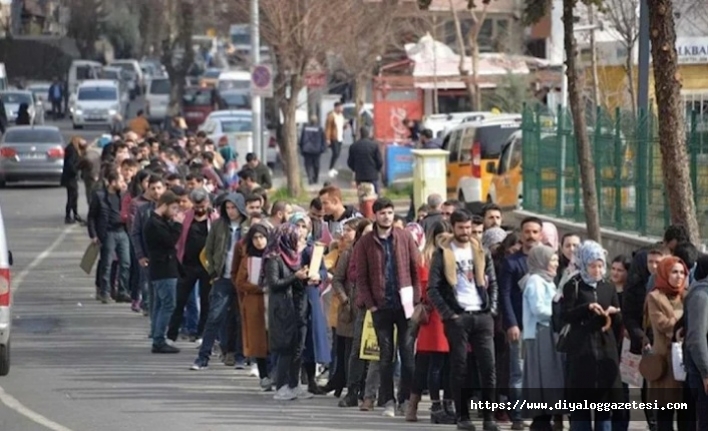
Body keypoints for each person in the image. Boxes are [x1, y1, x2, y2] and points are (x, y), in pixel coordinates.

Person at [427, 209, 499, 431]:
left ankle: (489, 418)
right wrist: (450, 314)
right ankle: (462, 416)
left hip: (482, 314)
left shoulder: (481, 251)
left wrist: (492, 309)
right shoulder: (443, 253)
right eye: (461, 228)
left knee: (488, 367)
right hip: (458, 317)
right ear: (453, 227)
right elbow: (433, 289)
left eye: (469, 227)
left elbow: (493, 283)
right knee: (459, 367)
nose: (466, 232)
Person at [356, 197, 420, 418]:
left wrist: (417, 299)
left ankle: (405, 399)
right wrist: (371, 304)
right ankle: (388, 401)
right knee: (385, 356)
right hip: (381, 306)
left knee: (408, 355)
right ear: (375, 215)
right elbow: (360, 276)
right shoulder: (365, 242)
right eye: (382, 213)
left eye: (390, 213)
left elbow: (415, 268)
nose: (387, 216)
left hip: (405, 305)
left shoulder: (404, 237)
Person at [560, 240, 622, 430]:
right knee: (581, 410)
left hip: (605, 350)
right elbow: (566, 315)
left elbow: (619, 319)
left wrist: (614, 312)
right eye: (592, 266)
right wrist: (586, 308)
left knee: (604, 409)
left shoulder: (608, 286)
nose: (596, 270)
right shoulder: (574, 284)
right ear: (583, 264)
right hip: (581, 351)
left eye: (600, 265)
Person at [263, 223, 313, 401]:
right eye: (295, 237)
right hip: (282, 309)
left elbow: (297, 283)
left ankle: (294, 383)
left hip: (298, 307)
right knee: (286, 348)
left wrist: (306, 277)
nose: (298, 241)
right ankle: (281, 385)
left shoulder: (294, 257)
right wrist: (295, 276)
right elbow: (275, 283)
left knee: (298, 347)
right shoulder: (273, 258)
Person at [520, 245, 566, 431]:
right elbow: (539, 310)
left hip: (548, 333)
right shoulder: (535, 281)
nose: (555, 264)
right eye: (552, 260)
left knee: (549, 376)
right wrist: (558, 312)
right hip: (540, 333)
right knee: (542, 375)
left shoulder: (547, 280)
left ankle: (547, 414)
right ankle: (540, 419)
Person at [646, 256, 690, 431]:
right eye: (674, 272)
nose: (679, 276)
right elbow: (661, 323)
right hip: (664, 362)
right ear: (665, 273)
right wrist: (683, 322)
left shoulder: (688, 295)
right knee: (665, 412)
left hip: (684, 360)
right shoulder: (655, 297)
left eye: (682, 272)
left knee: (685, 413)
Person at [143, 190, 184, 354]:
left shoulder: (160, 221)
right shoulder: (154, 223)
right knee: (168, 304)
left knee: (161, 304)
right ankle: (159, 340)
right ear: (164, 205)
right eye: (173, 208)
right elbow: (169, 241)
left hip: (164, 267)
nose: (175, 213)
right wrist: (178, 224)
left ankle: (157, 336)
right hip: (163, 269)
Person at [232, 223, 272, 391]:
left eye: (262, 237)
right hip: (255, 303)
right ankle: (264, 375)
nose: (259, 241)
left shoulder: (273, 257)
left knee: (273, 339)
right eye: (255, 238)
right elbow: (240, 282)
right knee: (258, 341)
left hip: (272, 302)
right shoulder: (247, 260)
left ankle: (274, 373)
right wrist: (258, 288)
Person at [347, 126, 383, 194]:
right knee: (375, 195)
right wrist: (376, 170)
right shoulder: (374, 145)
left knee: (362, 195)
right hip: (372, 175)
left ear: (360, 134)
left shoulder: (354, 146)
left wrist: (356, 169)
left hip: (360, 175)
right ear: (368, 134)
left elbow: (350, 162)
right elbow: (380, 161)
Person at [61, 136, 83, 224]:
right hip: (70, 178)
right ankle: (69, 215)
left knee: (73, 196)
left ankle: (74, 214)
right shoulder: (72, 150)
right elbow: (70, 163)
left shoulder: (70, 149)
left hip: (69, 177)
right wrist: (75, 172)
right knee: (72, 197)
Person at [299, 116, 326, 185]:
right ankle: (315, 178)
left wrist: (301, 148)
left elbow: (302, 139)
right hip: (316, 150)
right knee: (316, 165)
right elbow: (323, 139)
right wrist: (323, 148)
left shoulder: (305, 128)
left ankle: (310, 177)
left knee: (308, 165)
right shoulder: (320, 128)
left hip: (307, 149)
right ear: (316, 121)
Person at [324, 102, 347, 178]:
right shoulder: (331, 116)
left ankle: (332, 168)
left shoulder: (341, 116)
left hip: (340, 137)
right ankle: (330, 168)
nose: (342, 109)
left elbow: (341, 126)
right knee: (335, 153)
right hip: (334, 137)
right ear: (336, 107)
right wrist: (327, 138)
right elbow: (328, 128)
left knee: (337, 154)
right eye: (340, 107)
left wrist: (345, 126)